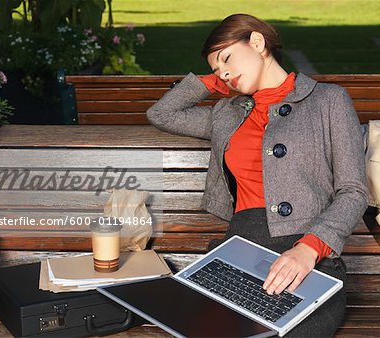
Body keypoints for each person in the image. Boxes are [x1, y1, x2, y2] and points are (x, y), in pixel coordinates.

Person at [147, 13, 368, 337]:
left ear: (257, 42)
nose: (224, 72)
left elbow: (353, 191)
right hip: (240, 248)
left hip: (309, 253)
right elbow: (161, 113)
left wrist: (309, 249)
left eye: (226, 58)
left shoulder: (328, 100)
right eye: (217, 70)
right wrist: (212, 82)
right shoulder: (226, 114)